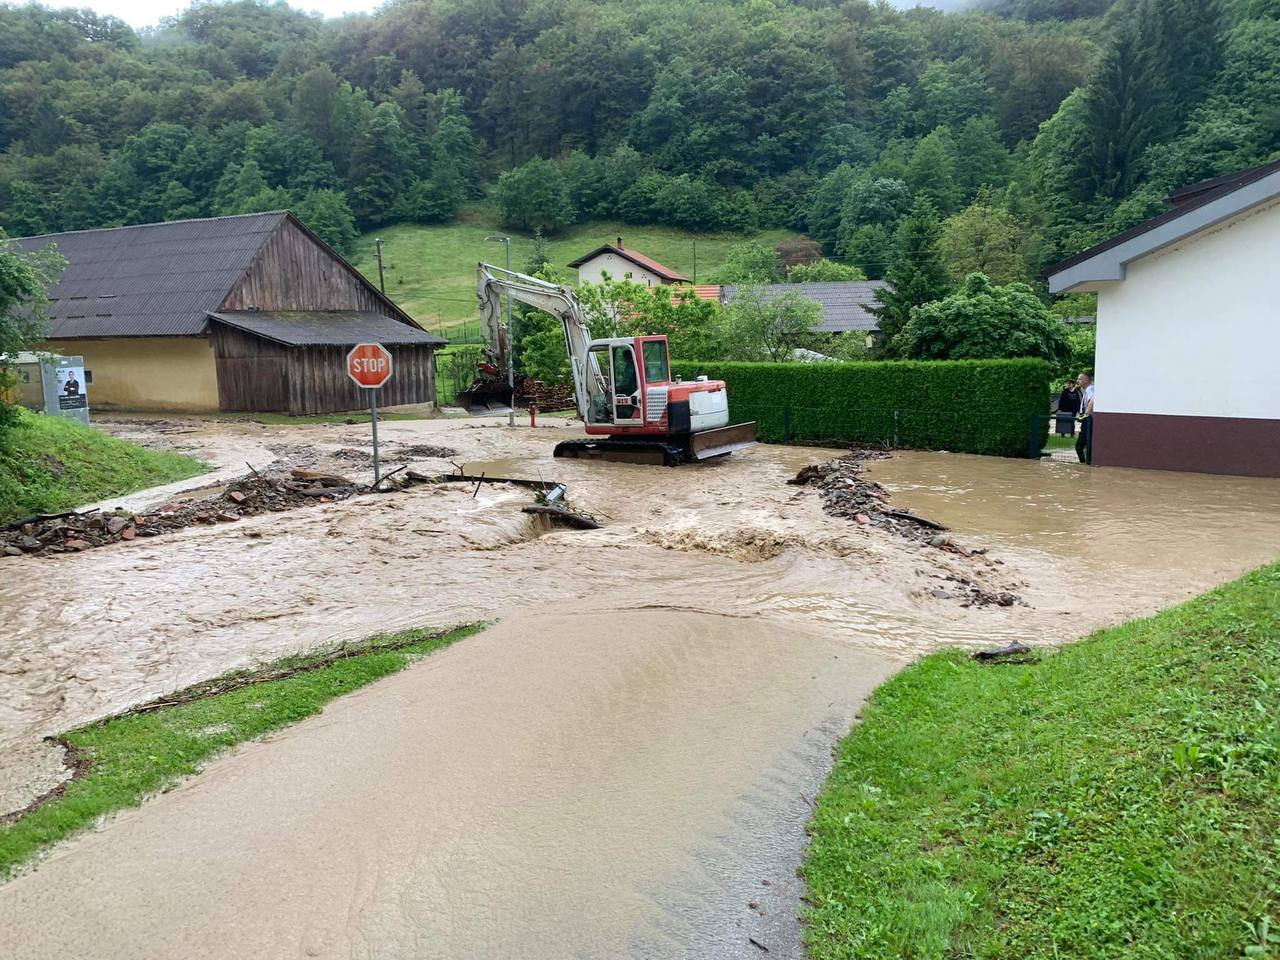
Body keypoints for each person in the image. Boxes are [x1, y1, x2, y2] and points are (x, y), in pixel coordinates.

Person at [1075, 372, 1094, 464]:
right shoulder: (1087, 390)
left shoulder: (1090, 389)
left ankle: (1084, 464)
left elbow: (1092, 401)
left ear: (1086, 380)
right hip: (1087, 420)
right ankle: (1086, 463)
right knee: (1087, 444)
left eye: (1080, 379)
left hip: (1088, 420)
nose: (1077, 381)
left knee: (1079, 446)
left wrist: (1085, 415)